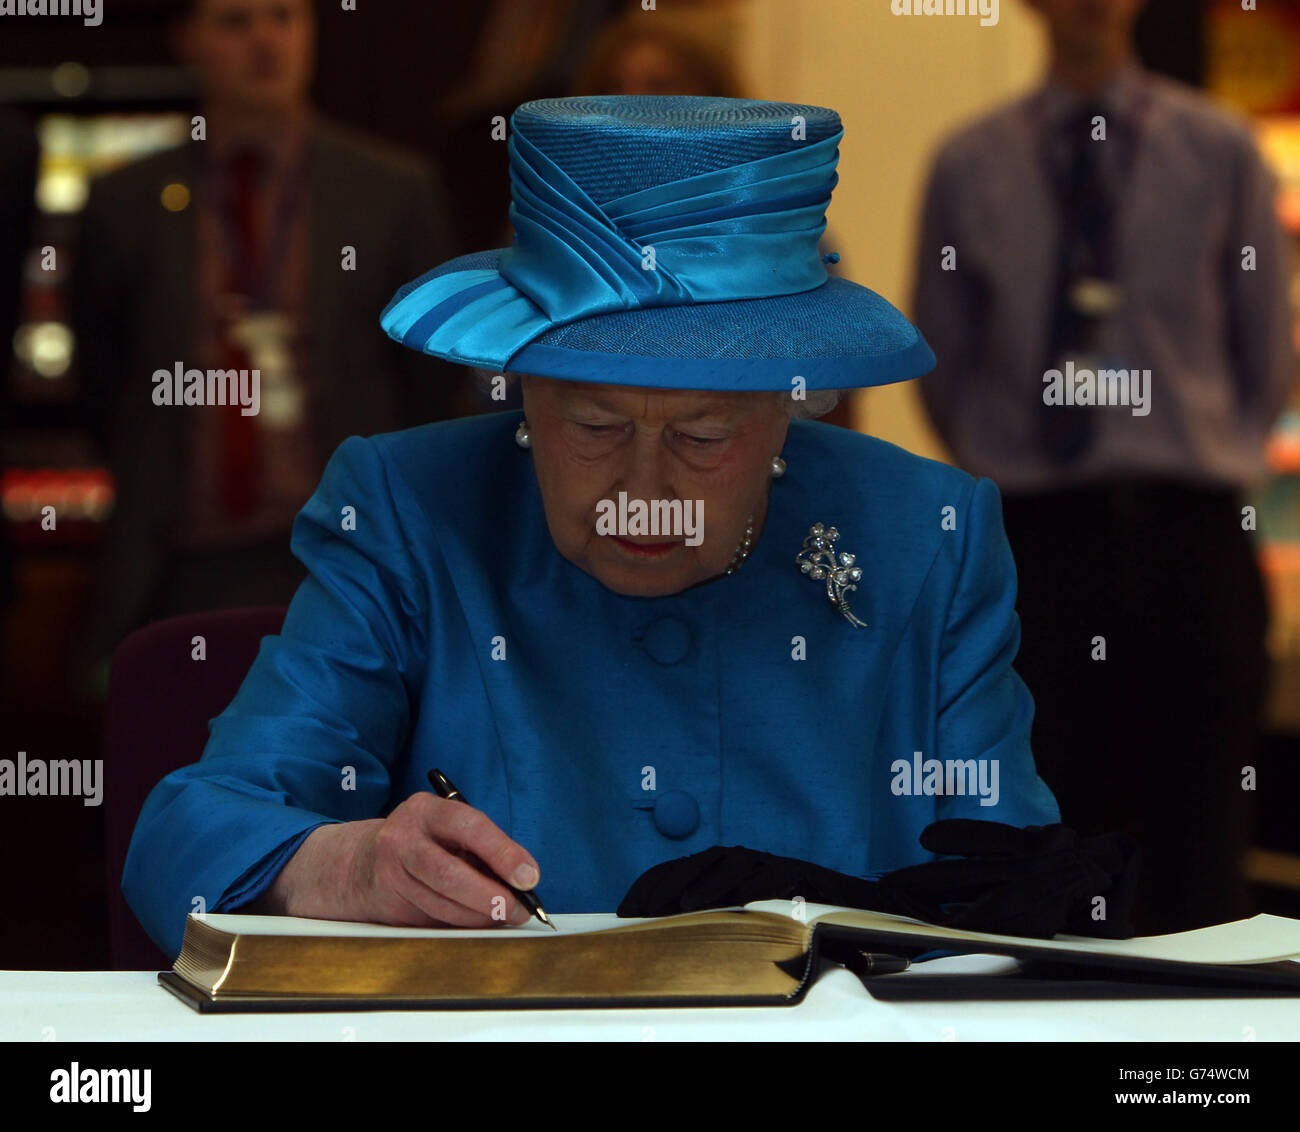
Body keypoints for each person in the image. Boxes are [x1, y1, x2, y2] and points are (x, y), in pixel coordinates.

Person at [124, 95, 1060, 961]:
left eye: (703, 435)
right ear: (521, 388)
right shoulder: (412, 508)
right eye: (594, 427)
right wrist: (349, 866)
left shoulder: (928, 536)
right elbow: (190, 830)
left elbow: (1012, 895)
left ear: (790, 405)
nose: (639, 488)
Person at [912, 0, 1294, 932]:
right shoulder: (972, 162)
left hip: (1188, 531)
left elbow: (1266, 346)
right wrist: (1018, 468)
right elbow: (943, 356)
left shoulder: (1218, 148)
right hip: (1043, 543)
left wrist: (1211, 457)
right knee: (1053, 827)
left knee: (1201, 833)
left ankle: (1203, 1065)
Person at [71, 0, 470, 686]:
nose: (266, 42)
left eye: (284, 18)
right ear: (187, 39)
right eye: (236, 21)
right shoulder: (125, 202)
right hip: (177, 565)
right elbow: (105, 388)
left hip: (345, 560)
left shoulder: (391, 191)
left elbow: (434, 389)